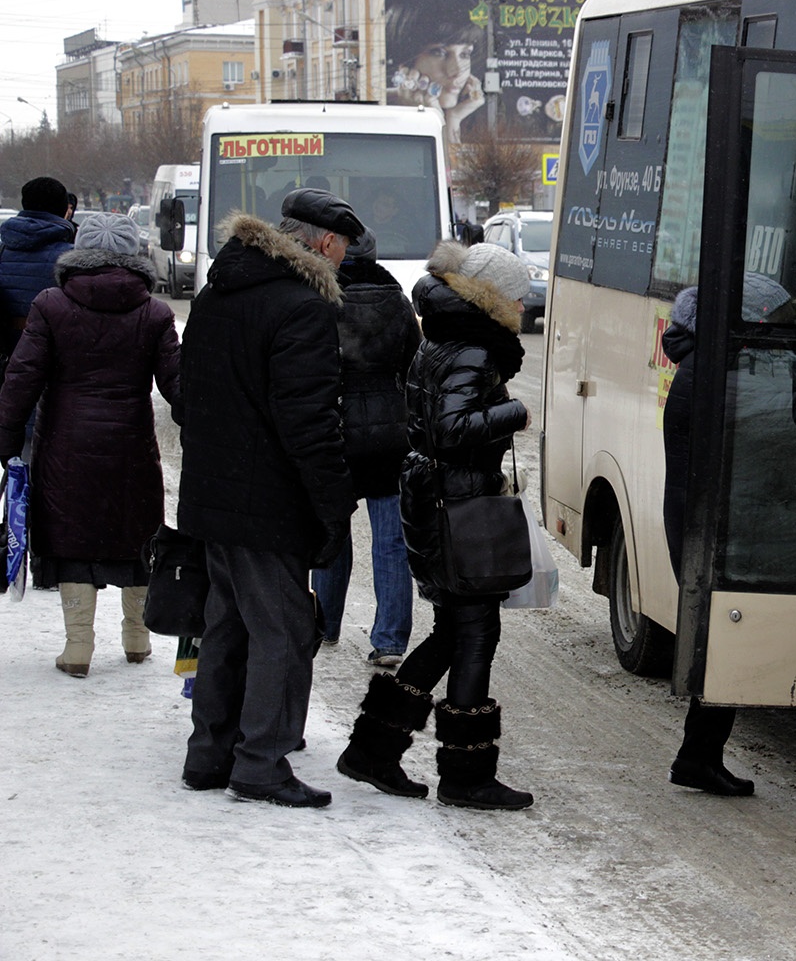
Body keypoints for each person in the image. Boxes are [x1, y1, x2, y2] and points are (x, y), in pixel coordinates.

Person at [175, 188, 360, 809]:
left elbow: (187, 396)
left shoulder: (215, 293)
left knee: (227, 622)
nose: (343, 260)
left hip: (214, 494)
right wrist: (333, 507)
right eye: (343, 248)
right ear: (325, 244)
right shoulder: (302, 308)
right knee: (283, 630)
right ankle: (261, 762)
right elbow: (311, 424)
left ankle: (211, 753)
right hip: (267, 502)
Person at [337, 240, 533, 809]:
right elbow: (452, 428)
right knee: (474, 635)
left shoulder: (444, 333)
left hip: (437, 501)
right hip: (460, 505)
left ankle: (373, 749)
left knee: (453, 631)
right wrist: (512, 412)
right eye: (517, 298)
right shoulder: (473, 348)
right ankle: (465, 776)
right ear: (493, 298)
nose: (523, 308)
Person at [0, 213, 179, 677]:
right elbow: (179, 386)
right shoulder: (155, 312)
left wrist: (6, 436)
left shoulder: (51, 304)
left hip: (66, 443)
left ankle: (78, 647)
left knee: (72, 534)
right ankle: (137, 638)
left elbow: (21, 377)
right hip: (131, 444)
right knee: (136, 529)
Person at [659, 285, 755, 797]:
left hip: (693, 520)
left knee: (719, 640)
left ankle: (697, 757)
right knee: (721, 643)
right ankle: (697, 758)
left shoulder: (696, 366)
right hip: (703, 528)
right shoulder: (708, 376)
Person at [311, 229, 422, 666]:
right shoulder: (397, 304)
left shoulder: (319, 301)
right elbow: (415, 367)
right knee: (392, 541)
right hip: (390, 436)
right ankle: (391, 639)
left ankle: (325, 624)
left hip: (335, 432)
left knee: (333, 534)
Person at [385, 0, 486, 144]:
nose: (457, 71)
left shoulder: (477, 118)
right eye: (439, 53)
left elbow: (448, 167)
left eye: (465, 54)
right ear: (405, 62)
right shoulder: (380, 114)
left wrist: (453, 118)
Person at [0, 176, 75, 356]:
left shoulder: (2, 251)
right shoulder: (73, 258)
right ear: (64, 209)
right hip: (53, 355)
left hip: (7, 353)